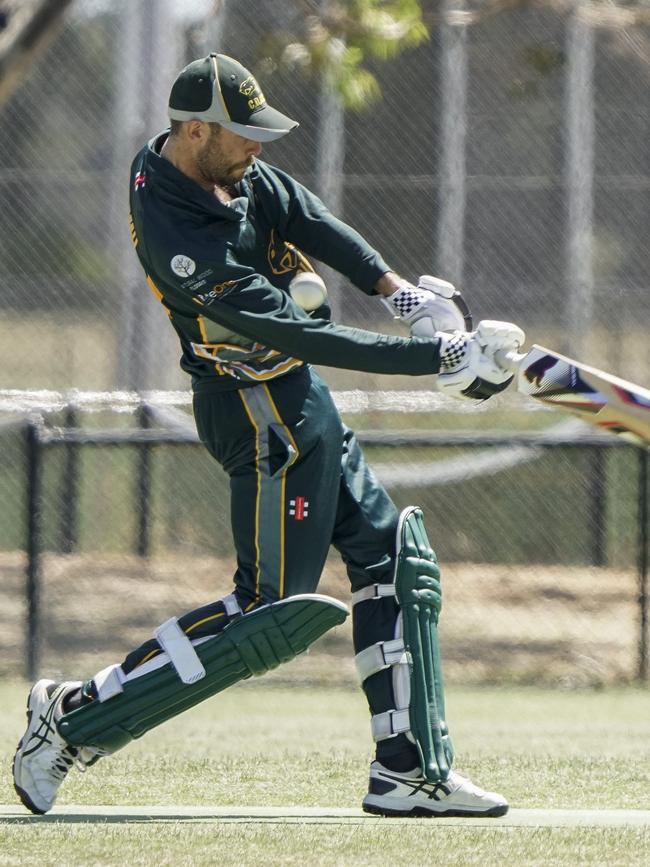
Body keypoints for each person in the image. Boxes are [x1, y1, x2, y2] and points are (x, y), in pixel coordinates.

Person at [13, 53, 524, 817]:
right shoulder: (178, 234)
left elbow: (307, 214)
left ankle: (408, 770)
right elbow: (302, 334)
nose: (259, 147)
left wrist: (398, 292)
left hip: (297, 398)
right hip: (257, 415)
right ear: (193, 131)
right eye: (243, 134)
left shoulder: (229, 168)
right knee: (268, 618)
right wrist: (438, 355)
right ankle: (70, 720)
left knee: (395, 561)